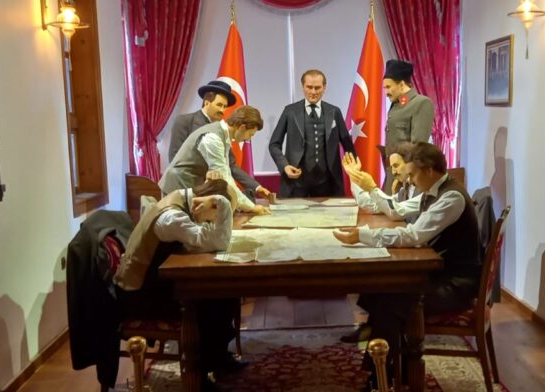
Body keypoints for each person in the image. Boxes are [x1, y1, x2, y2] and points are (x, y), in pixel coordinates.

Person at [332, 142, 481, 392]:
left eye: (412, 174)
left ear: (429, 170)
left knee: (392, 302)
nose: (409, 180)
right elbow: (401, 217)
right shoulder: (432, 192)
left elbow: (413, 235)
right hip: (439, 273)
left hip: (456, 285)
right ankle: (389, 368)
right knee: (380, 290)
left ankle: (378, 387)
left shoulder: (451, 198)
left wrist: (363, 236)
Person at [113, 178, 246, 392]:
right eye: (214, 216)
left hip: (152, 283)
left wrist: (218, 207)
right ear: (208, 204)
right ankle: (200, 385)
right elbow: (220, 242)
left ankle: (219, 359)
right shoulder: (172, 218)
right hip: (140, 295)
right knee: (206, 305)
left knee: (224, 294)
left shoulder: (181, 200)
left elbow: (206, 238)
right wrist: (222, 204)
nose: (213, 221)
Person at [337, 142, 421, 344]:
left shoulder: (421, 191)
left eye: (397, 166)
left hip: (421, 257)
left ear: (411, 164)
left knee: (383, 279)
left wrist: (373, 187)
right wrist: (354, 177)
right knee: (375, 273)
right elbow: (375, 206)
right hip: (411, 248)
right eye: (391, 167)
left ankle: (383, 339)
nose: (393, 171)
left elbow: (394, 211)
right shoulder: (405, 187)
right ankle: (374, 328)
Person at [160, 105, 273, 215]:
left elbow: (226, 174)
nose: (248, 139)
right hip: (177, 187)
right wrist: (251, 207)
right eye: (250, 134)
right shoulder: (213, 138)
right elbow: (225, 180)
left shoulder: (222, 135)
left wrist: (247, 206)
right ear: (242, 127)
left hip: (188, 187)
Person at [268, 69, 356, 197]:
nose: (313, 92)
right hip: (296, 182)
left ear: (324, 87)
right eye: (309, 87)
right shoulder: (290, 111)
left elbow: (348, 146)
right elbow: (274, 144)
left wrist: (354, 171)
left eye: (317, 88)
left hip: (328, 183)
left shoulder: (334, 112)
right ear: (302, 86)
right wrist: (284, 166)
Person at [382, 60, 434, 188]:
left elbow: (418, 146)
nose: (386, 92)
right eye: (384, 88)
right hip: (393, 173)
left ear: (401, 84)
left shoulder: (422, 103)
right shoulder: (396, 105)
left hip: (408, 177)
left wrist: (405, 177)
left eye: (388, 87)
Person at [167, 80, 233, 162]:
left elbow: (230, 162)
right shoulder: (184, 121)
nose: (222, 110)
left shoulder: (223, 130)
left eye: (225, 106)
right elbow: (175, 158)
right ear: (207, 103)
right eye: (219, 105)